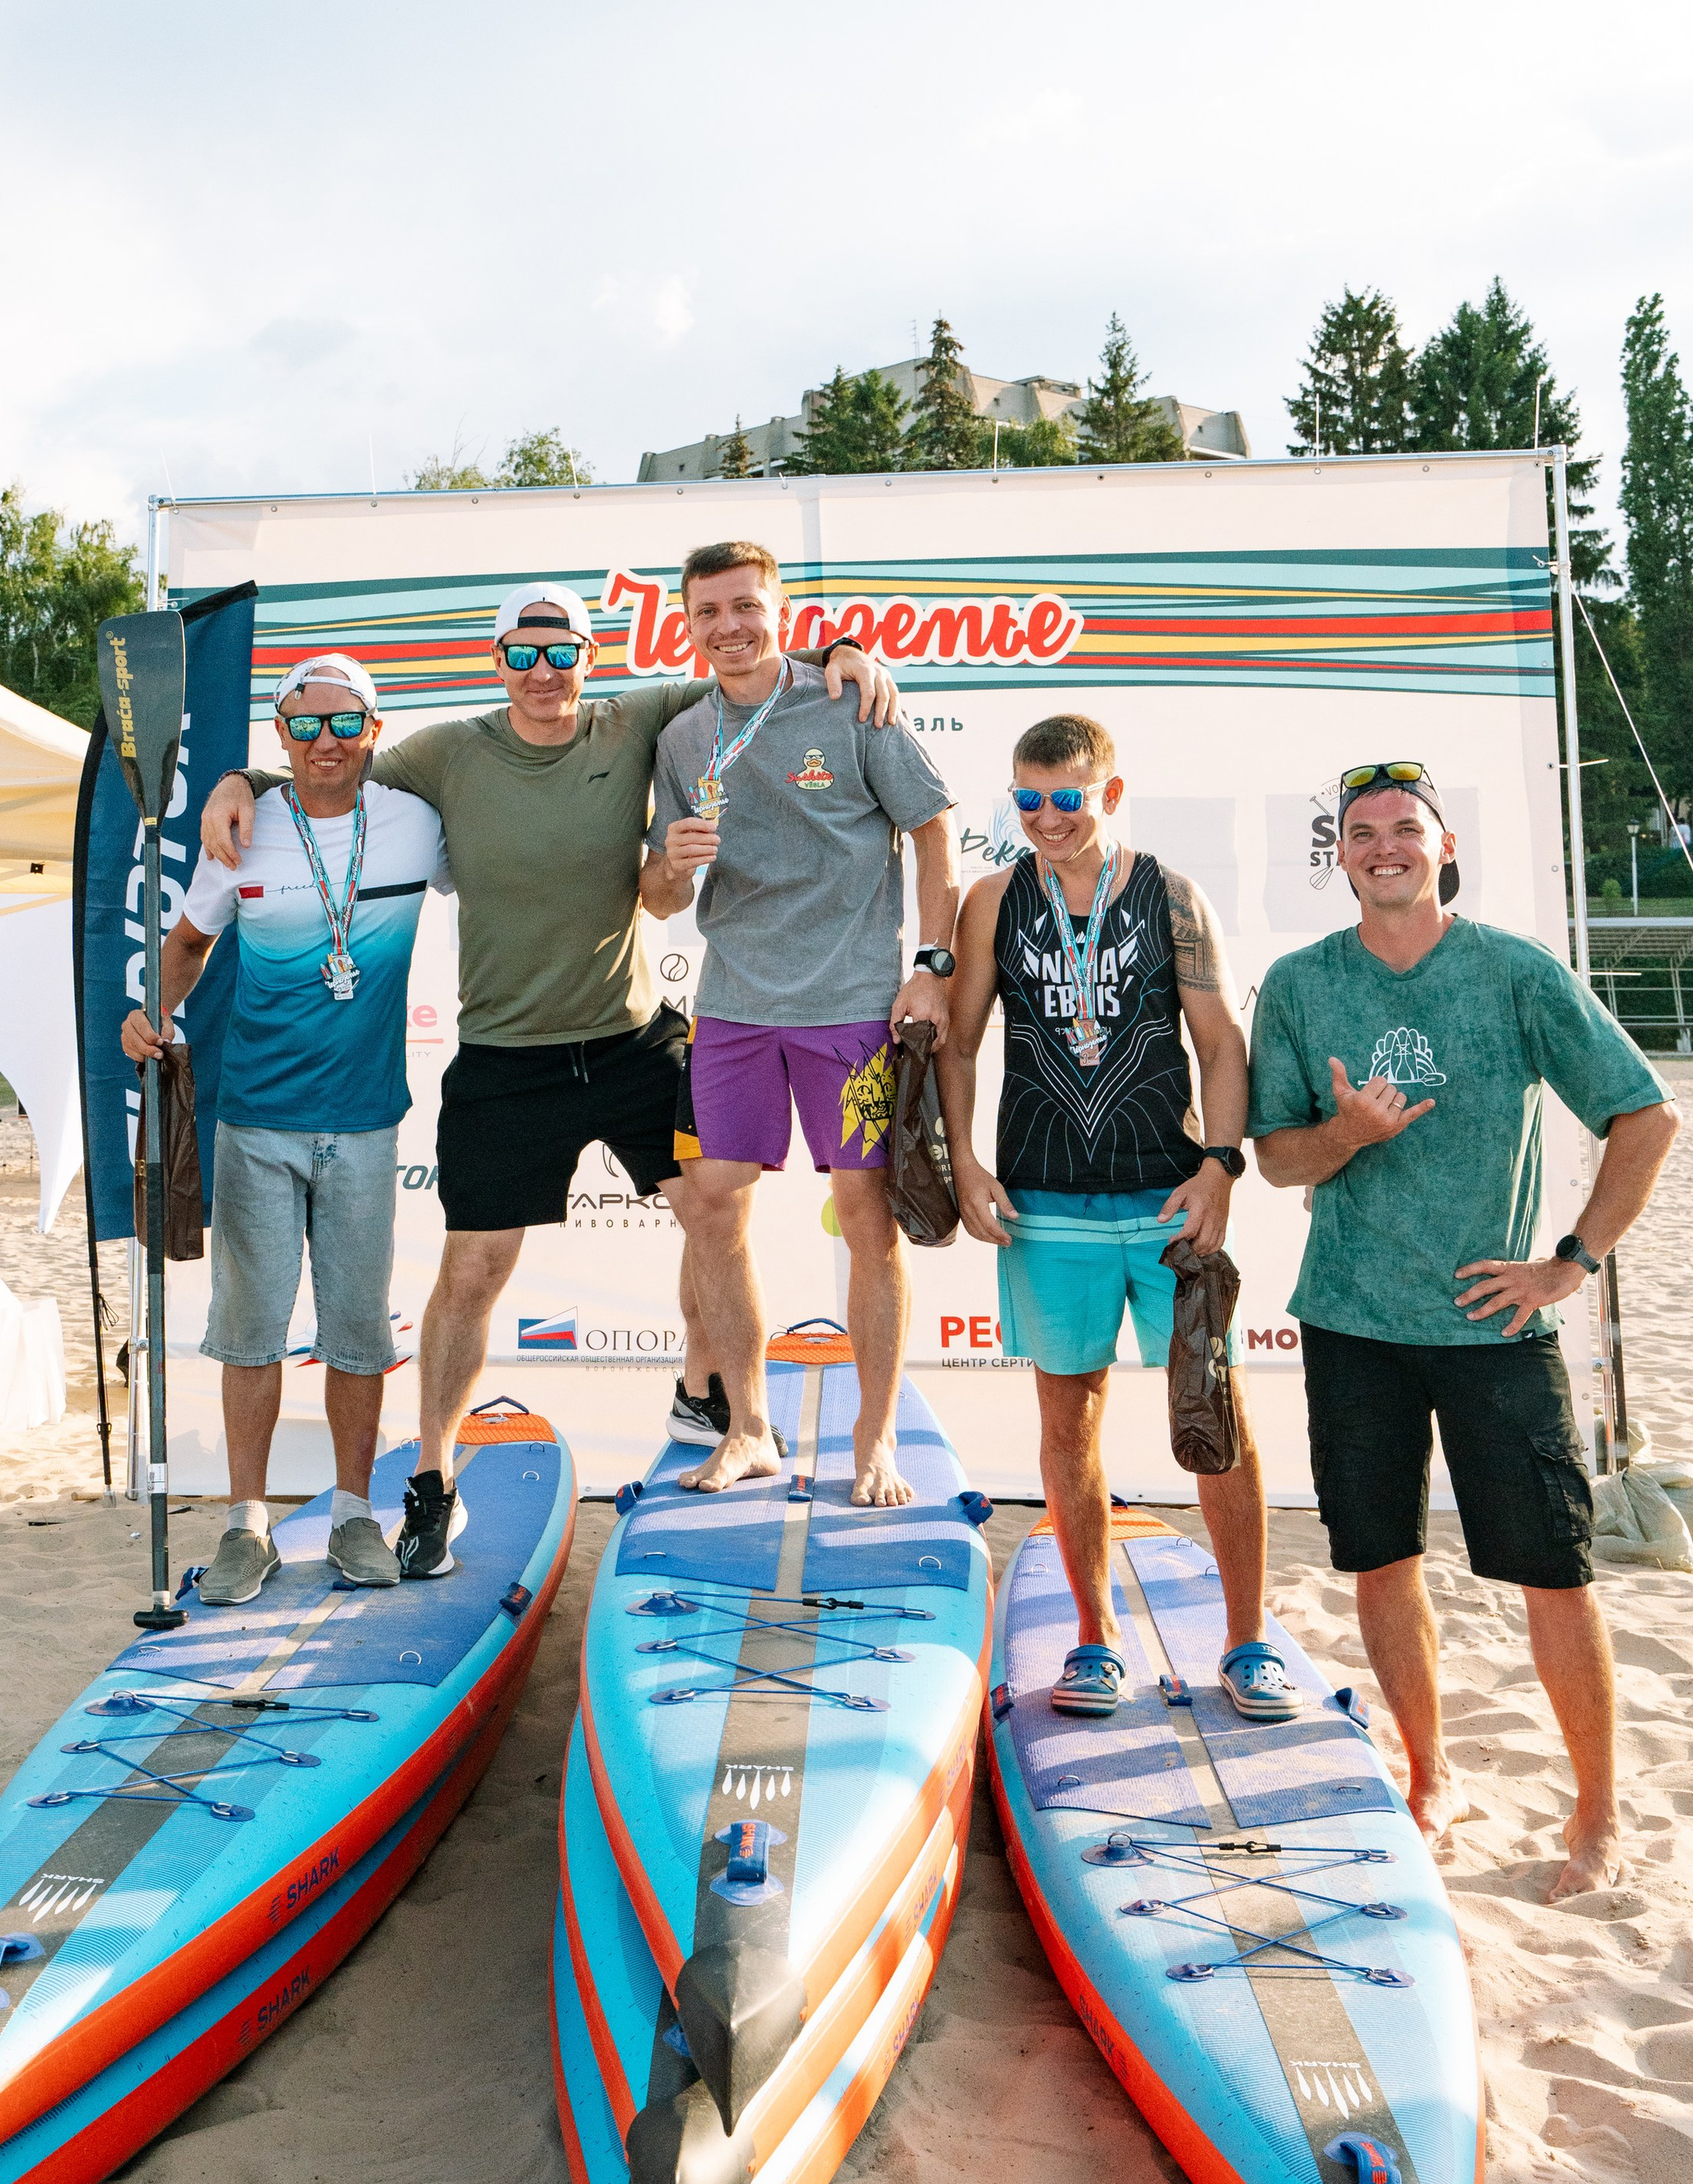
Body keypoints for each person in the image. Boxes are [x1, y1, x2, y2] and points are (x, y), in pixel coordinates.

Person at [200, 591, 896, 1574]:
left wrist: (845, 650)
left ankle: (730, 1413)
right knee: (474, 1273)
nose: (541, 671)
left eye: (559, 652)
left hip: (629, 1040)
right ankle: (433, 1484)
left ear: (586, 655)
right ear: (497, 660)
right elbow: (331, 764)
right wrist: (238, 776)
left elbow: (745, 667)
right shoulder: (445, 754)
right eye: (521, 654)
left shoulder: (638, 716)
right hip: (504, 1059)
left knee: (714, 1209)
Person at [1249, 760, 1681, 1895]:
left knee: (1556, 1574)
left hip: (1496, 1329)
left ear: (1443, 848)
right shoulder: (1299, 985)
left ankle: (1597, 1817)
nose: (1382, 845)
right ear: (1338, 856)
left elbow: (1646, 1114)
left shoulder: (1514, 973)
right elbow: (1276, 1155)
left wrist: (1569, 1263)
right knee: (1383, 1564)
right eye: (1360, 832)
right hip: (1352, 1321)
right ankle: (1429, 1775)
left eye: (1404, 828)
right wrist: (1345, 1135)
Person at [936, 714, 1295, 1721]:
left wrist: (1221, 1168)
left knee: (1215, 1418)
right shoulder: (991, 900)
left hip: (1168, 1196)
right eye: (1028, 800)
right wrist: (964, 1162)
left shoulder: (1169, 894)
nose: (1047, 819)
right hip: (1045, 1202)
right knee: (1068, 1419)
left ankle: (1248, 1639)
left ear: (1110, 794)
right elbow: (958, 1047)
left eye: (1067, 799)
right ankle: (1094, 1640)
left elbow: (1221, 1043)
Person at [127, 654, 448, 1602]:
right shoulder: (243, 831)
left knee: (355, 1336)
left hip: (362, 1126)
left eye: (344, 723)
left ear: (374, 731)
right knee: (250, 1335)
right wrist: (157, 1011)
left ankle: (353, 1513)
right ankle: (246, 1527)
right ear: (280, 736)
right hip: (255, 1121)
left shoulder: (417, 823)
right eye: (304, 726)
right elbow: (188, 942)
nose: (325, 742)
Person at [642, 541, 958, 1504]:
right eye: (708, 613)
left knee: (867, 1222)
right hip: (734, 1006)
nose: (729, 628)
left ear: (777, 610)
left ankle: (874, 1440)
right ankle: (747, 1428)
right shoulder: (681, 739)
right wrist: (675, 865)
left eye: (746, 607)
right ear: (686, 624)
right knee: (710, 1206)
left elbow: (934, 828)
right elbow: (656, 900)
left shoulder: (848, 698)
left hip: (850, 1007)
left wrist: (933, 966)